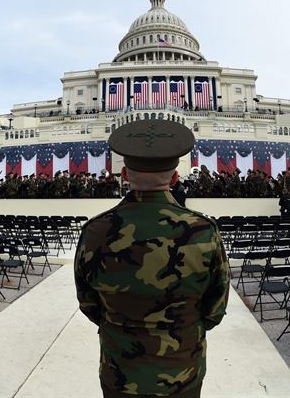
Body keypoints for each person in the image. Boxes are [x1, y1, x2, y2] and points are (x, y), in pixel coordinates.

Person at [75, 119, 229, 398]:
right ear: (174, 179)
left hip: (119, 373)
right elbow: (215, 309)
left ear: (124, 174)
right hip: (182, 373)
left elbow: (89, 304)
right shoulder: (203, 231)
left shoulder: (95, 232)